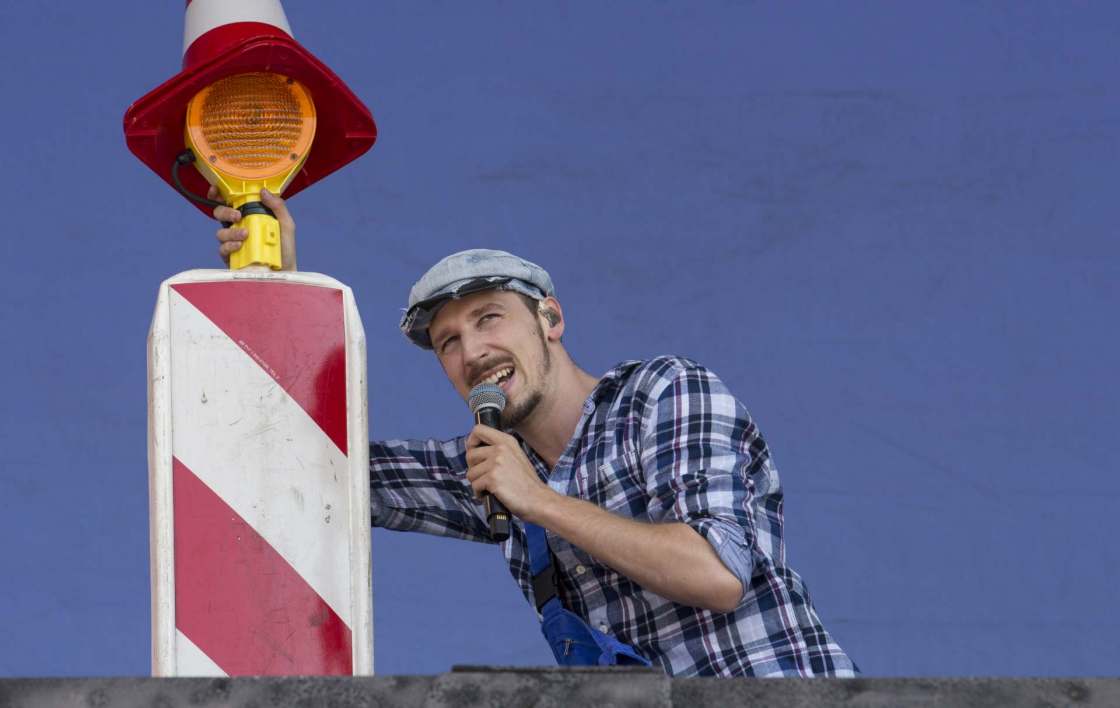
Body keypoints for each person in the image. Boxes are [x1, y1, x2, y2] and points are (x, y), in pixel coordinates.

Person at [210, 189, 859, 677]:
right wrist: (276, 287)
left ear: (550, 319)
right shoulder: (492, 466)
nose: (473, 352)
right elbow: (313, 463)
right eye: (448, 342)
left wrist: (539, 501)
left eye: (490, 318)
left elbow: (717, 574)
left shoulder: (662, 393)